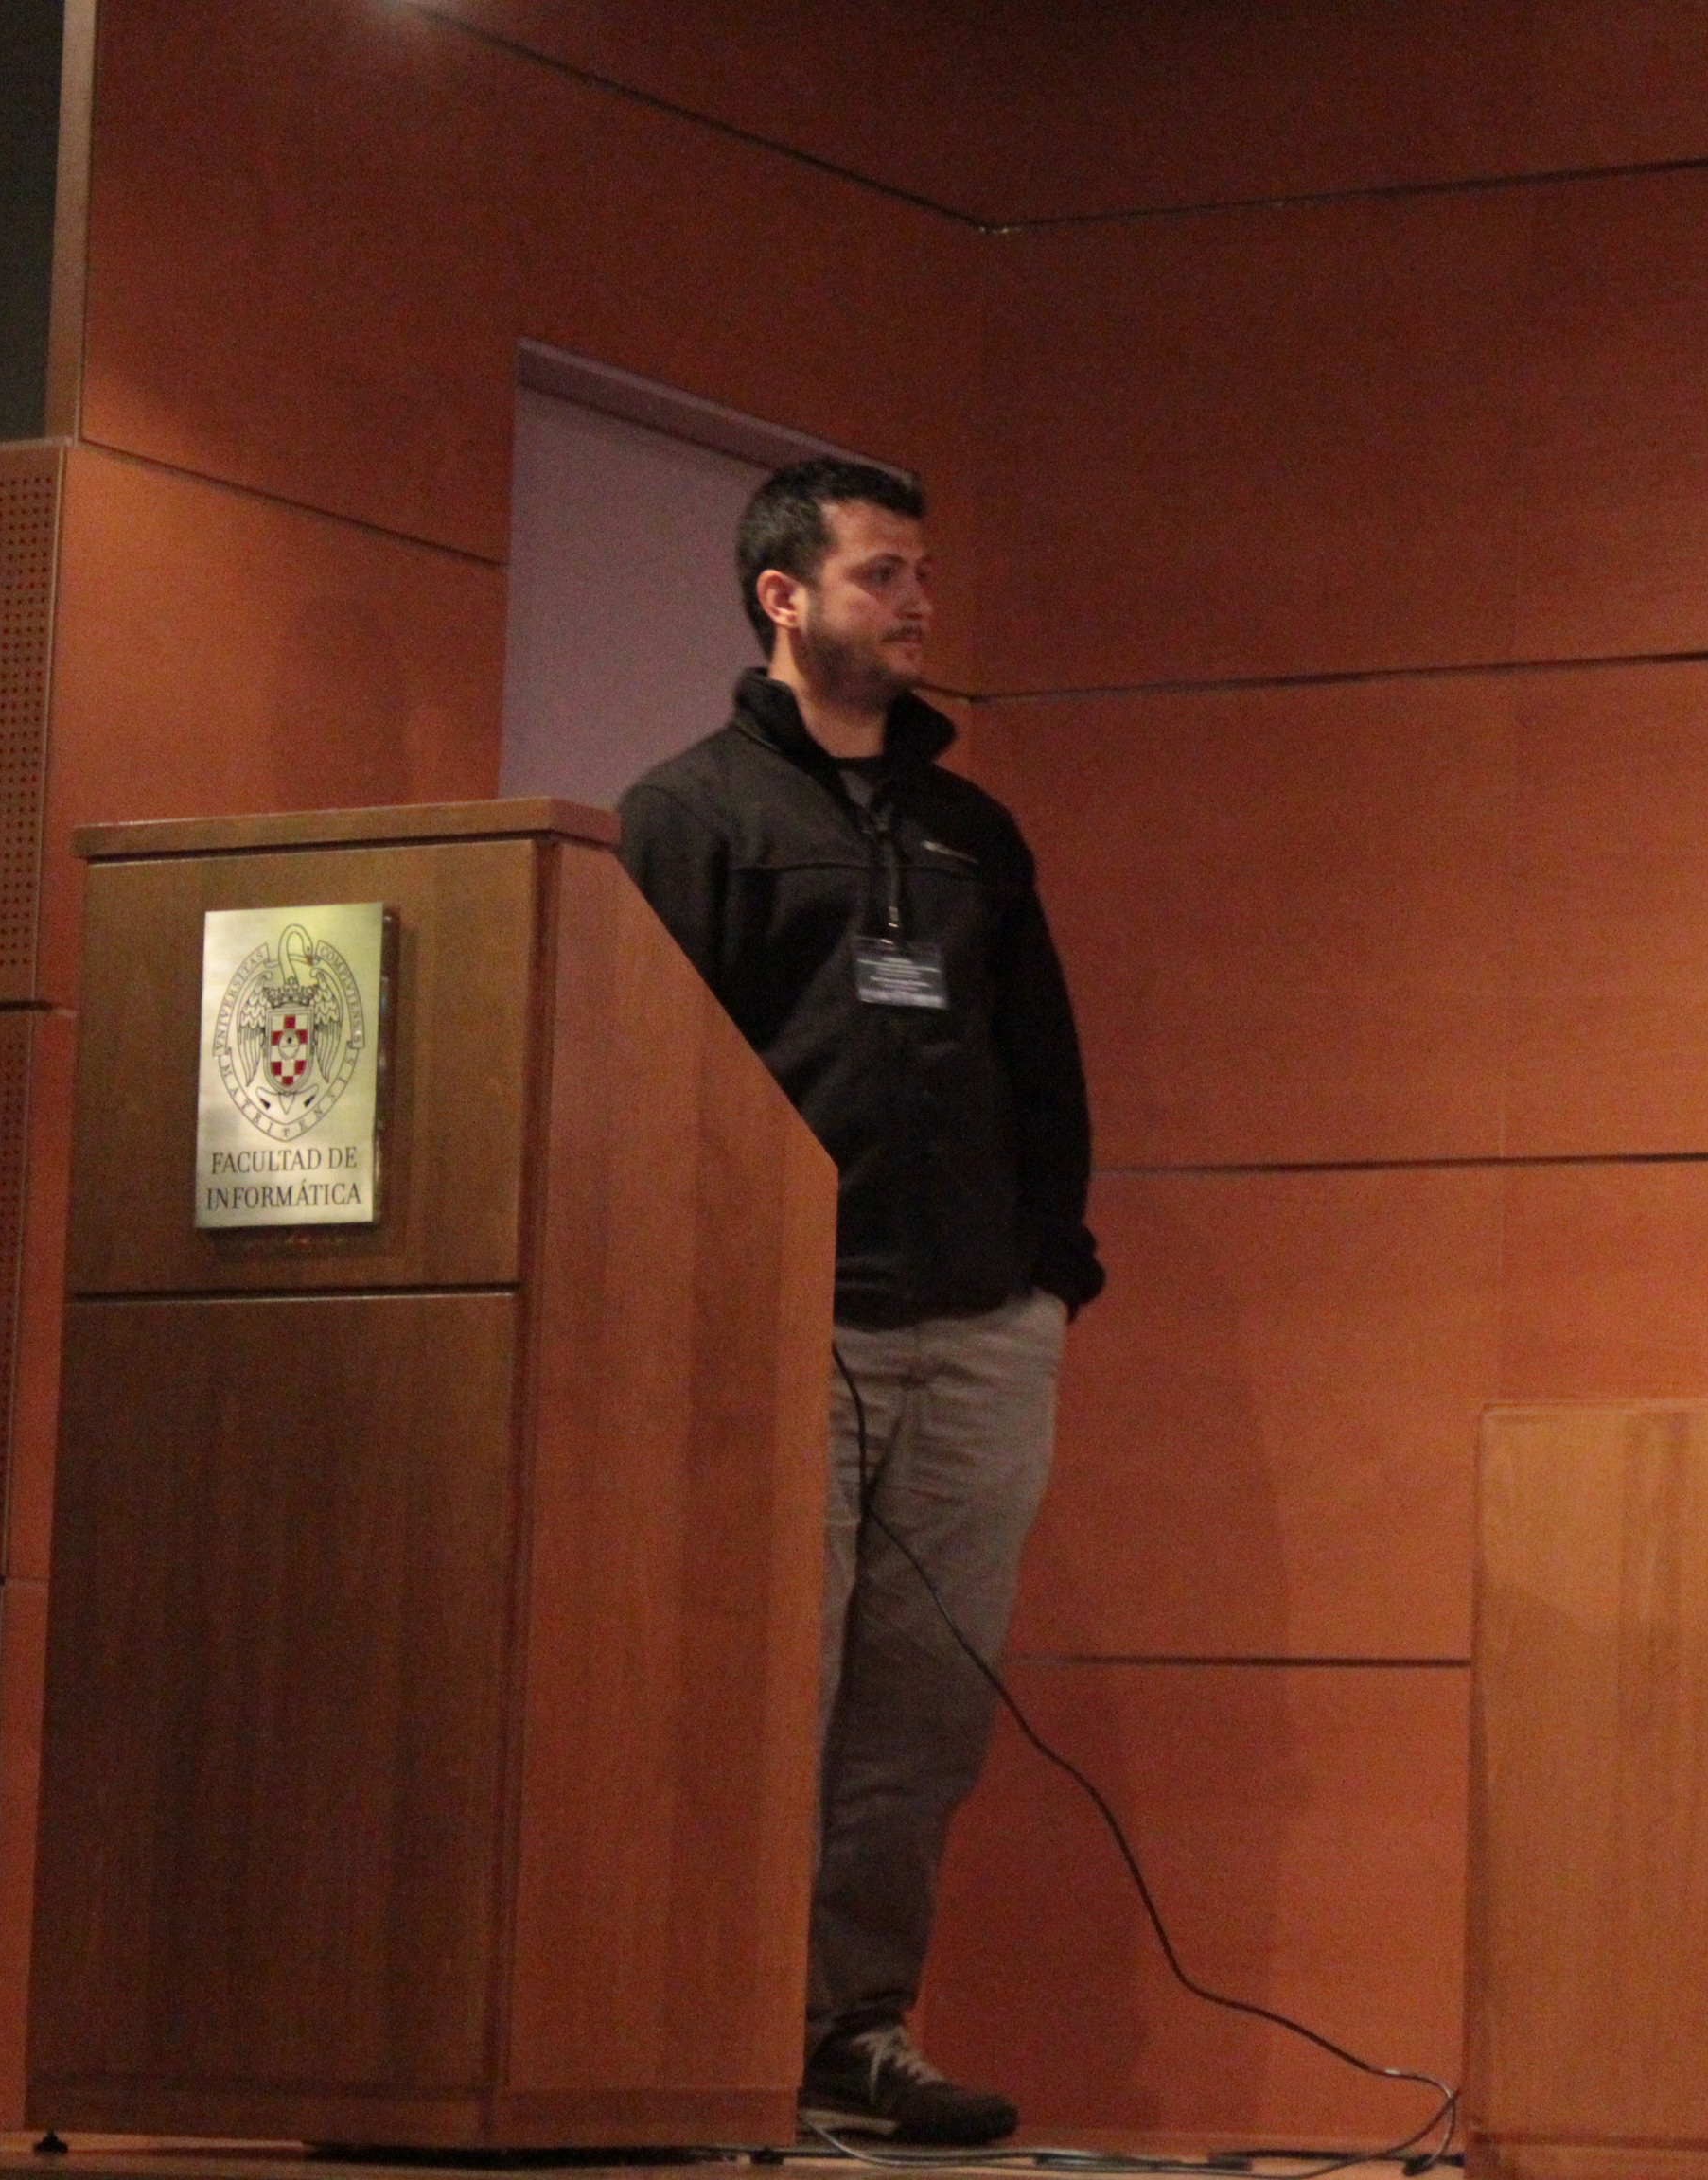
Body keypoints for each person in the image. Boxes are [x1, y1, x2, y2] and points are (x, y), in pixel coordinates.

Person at [620, 458, 1101, 2147]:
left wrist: (1051, 1275)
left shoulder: (974, 830)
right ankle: (705, 2035)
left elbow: (1043, 1065)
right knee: (766, 1693)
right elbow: (650, 1072)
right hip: (782, 1325)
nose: (917, 605)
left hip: (978, 1328)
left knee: (923, 1714)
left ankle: (853, 2033)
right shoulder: (687, 814)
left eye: (921, 576)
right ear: (784, 596)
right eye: (882, 575)